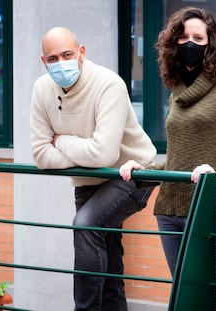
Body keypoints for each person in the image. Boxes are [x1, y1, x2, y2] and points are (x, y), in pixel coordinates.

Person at [120, 7, 216, 311]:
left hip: (213, 209)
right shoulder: (176, 91)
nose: (190, 43)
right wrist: (144, 169)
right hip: (170, 210)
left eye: (198, 37)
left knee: (205, 301)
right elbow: (178, 159)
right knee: (186, 300)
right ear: (172, 45)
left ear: (212, 43)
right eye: (183, 37)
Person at [30, 27, 157, 311]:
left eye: (67, 55)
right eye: (53, 58)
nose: (61, 63)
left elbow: (105, 152)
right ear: (43, 61)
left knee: (86, 225)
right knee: (109, 261)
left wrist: (61, 141)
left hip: (131, 173)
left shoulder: (108, 84)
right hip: (87, 182)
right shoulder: (41, 90)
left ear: (81, 53)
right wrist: (85, 153)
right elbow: (40, 154)